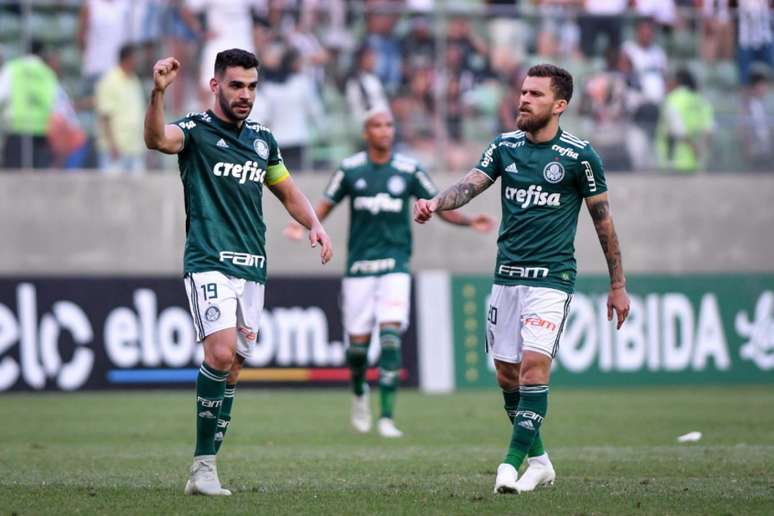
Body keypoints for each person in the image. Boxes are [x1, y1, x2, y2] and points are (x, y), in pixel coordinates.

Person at [414, 64, 630, 493]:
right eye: (523, 92)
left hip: (552, 279)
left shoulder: (580, 156)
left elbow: (603, 223)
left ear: (559, 105)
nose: (524, 99)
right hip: (506, 278)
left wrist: (618, 284)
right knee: (507, 376)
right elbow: (472, 184)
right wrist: (436, 202)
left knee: (534, 370)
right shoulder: (504, 147)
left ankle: (509, 466)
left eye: (535, 94)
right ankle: (541, 462)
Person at [144, 48, 333, 496]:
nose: (245, 94)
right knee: (221, 353)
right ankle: (203, 466)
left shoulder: (263, 140)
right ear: (215, 85)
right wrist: (156, 93)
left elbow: (287, 192)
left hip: (253, 267)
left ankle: (206, 467)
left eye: (251, 86)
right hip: (208, 261)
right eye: (236, 85)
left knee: (233, 370)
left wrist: (316, 224)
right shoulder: (194, 132)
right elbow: (156, 140)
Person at [285, 108, 495, 438]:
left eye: (389, 125)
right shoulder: (351, 169)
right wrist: (306, 225)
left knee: (390, 338)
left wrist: (469, 221)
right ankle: (358, 393)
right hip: (359, 269)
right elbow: (327, 202)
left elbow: (435, 204)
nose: (385, 131)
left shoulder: (409, 169)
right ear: (366, 133)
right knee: (356, 350)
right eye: (377, 126)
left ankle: (386, 418)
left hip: (395, 266)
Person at [95, 44, 145, 174]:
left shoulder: (134, 80)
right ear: (127, 59)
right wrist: (112, 145)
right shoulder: (109, 81)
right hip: (115, 149)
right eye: (136, 58)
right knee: (111, 191)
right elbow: (105, 116)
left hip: (135, 148)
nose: (138, 61)